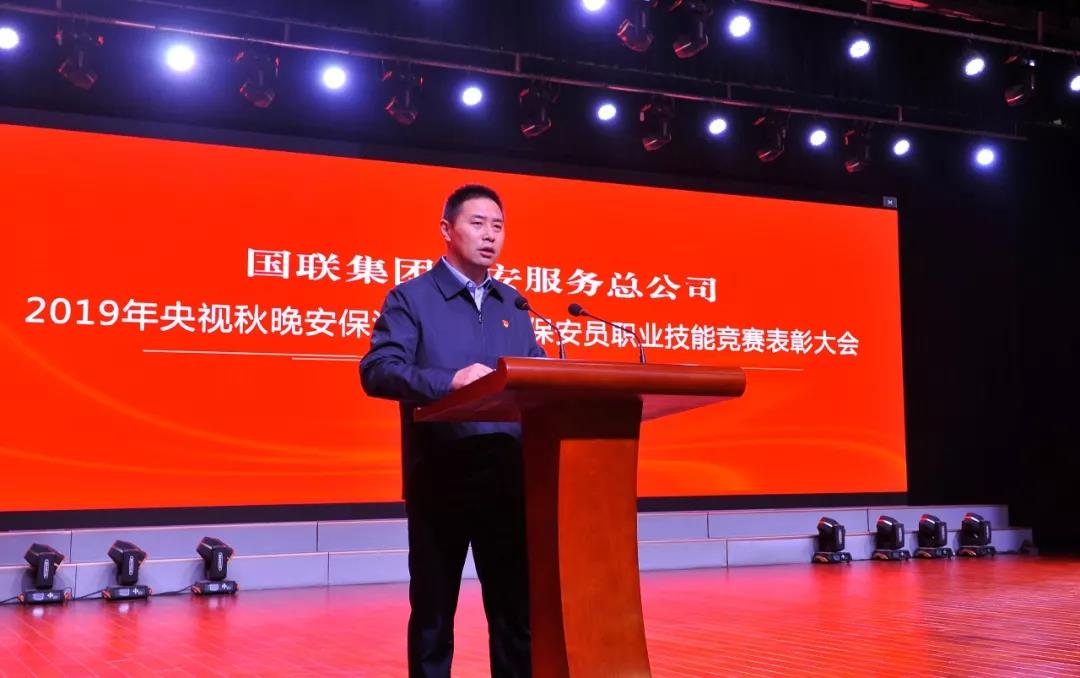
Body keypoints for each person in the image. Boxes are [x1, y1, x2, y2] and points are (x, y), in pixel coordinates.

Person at [360, 184, 546, 678]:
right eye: (478, 223)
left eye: (498, 226)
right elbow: (377, 370)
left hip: (507, 482)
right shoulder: (412, 298)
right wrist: (449, 381)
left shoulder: (514, 305)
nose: (490, 236)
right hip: (441, 480)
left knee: (515, 618)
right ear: (447, 230)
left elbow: (539, 375)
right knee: (433, 619)